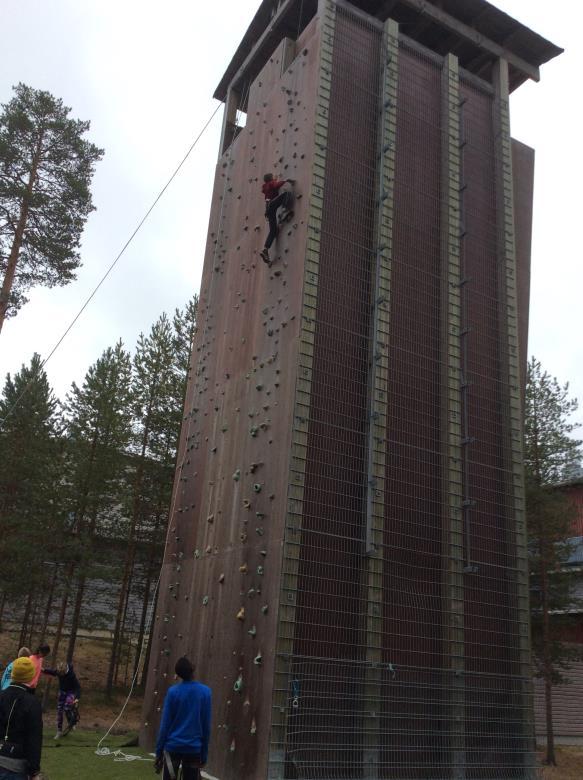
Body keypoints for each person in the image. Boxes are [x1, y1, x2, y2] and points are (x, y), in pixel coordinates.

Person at [155, 657, 211, 780]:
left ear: (178, 674)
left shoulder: (173, 692)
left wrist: (159, 752)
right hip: (193, 749)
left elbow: (165, 725)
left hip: (173, 748)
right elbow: (206, 726)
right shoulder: (205, 692)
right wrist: (204, 754)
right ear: (192, 670)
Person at [0, 657, 44, 780]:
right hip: (14, 768)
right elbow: (34, 738)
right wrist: (34, 770)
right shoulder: (32, 703)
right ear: (30, 677)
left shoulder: (2, 696)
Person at [259, 173, 294, 265]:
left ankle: (265, 250)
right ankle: (284, 211)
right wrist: (286, 180)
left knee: (273, 231)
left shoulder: (266, 187)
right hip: (272, 204)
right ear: (271, 178)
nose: (275, 177)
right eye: (274, 176)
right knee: (287, 194)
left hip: (269, 209)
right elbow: (276, 185)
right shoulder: (271, 183)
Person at [42, 661, 81, 739]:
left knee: (67, 707)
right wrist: (43, 670)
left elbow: (78, 687)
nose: (60, 675)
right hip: (62, 692)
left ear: (65, 671)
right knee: (59, 711)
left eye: (61, 674)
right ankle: (59, 731)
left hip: (71, 692)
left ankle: (72, 722)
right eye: (59, 674)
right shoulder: (59, 671)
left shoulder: (71, 675)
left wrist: (77, 698)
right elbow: (53, 672)